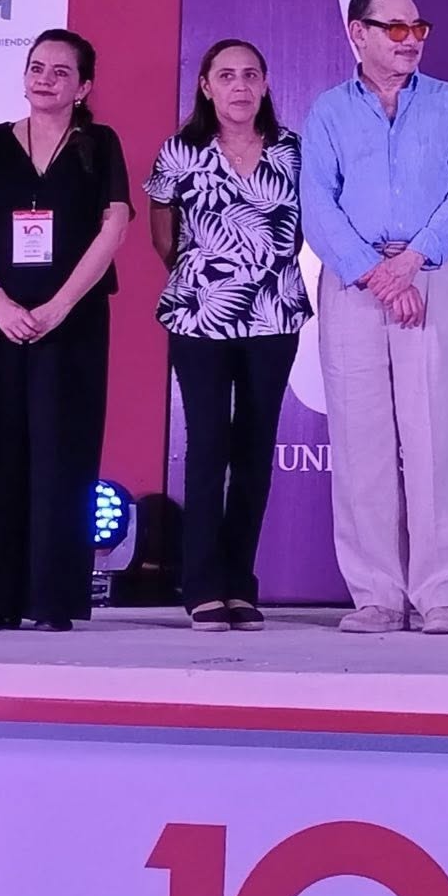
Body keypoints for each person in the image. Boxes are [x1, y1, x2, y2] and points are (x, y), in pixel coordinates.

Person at [300, 0, 448, 636]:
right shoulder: (328, 111)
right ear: (359, 33)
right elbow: (318, 205)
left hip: (431, 272)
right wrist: (376, 273)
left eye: (418, 28)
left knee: (440, 436)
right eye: (396, 29)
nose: (411, 41)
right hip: (355, 282)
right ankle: (375, 594)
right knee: (361, 441)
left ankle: (442, 595)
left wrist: (411, 262)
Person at [0, 30, 131, 631]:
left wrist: (60, 306)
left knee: (62, 453)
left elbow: (114, 225)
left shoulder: (98, 144)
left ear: (84, 87)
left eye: (60, 72)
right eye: (36, 68)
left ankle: (52, 600)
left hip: (71, 322)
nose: (45, 79)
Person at [145, 39, 308, 632]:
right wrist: (208, 277)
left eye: (250, 75)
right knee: (208, 445)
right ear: (206, 87)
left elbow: (303, 225)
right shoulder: (180, 151)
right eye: (226, 75)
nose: (239, 86)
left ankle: (240, 583)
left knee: (255, 451)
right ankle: (202, 586)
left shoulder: (293, 151)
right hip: (200, 315)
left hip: (274, 314)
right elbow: (162, 233)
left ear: (265, 84)